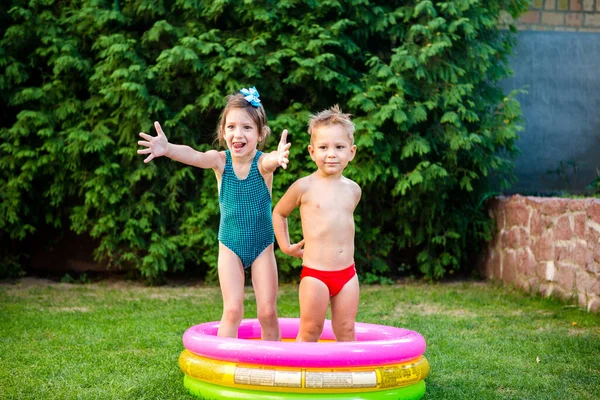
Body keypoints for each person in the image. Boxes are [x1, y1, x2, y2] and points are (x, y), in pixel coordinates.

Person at [137, 87, 290, 341]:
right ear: (223, 132)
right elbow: (194, 155)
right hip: (229, 245)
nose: (237, 134)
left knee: (267, 312)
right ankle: (226, 367)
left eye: (247, 128)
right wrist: (168, 149)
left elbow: (271, 160)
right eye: (231, 127)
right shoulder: (220, 161)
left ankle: (271, 365)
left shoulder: (262, 164)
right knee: (232, 310)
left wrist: (279, 156)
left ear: (261, 134)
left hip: (262, 245)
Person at [272, 105, 361, 342]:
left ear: (351, 152)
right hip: (315, 275)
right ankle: (300, 376)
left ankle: (347, 377)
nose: (331, 154)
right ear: (312, 152)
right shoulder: (304, 186)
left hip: (347, 275)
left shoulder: (353, 190)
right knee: (311, 329)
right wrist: (285, 246)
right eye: (323, 147)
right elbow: (279, 213)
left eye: (339, 147)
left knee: (346, 329)